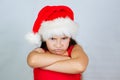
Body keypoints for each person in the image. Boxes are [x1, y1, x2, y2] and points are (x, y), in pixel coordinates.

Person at [26, 5, 89, 80]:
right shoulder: (41, 51)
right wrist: (68, 59)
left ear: (70, 38)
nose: (58, 45)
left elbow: (80, 66)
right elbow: (32, 60)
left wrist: (41, 64)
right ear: (45, 39)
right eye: (52, 38)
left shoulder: (74, 49)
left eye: (64, 38)